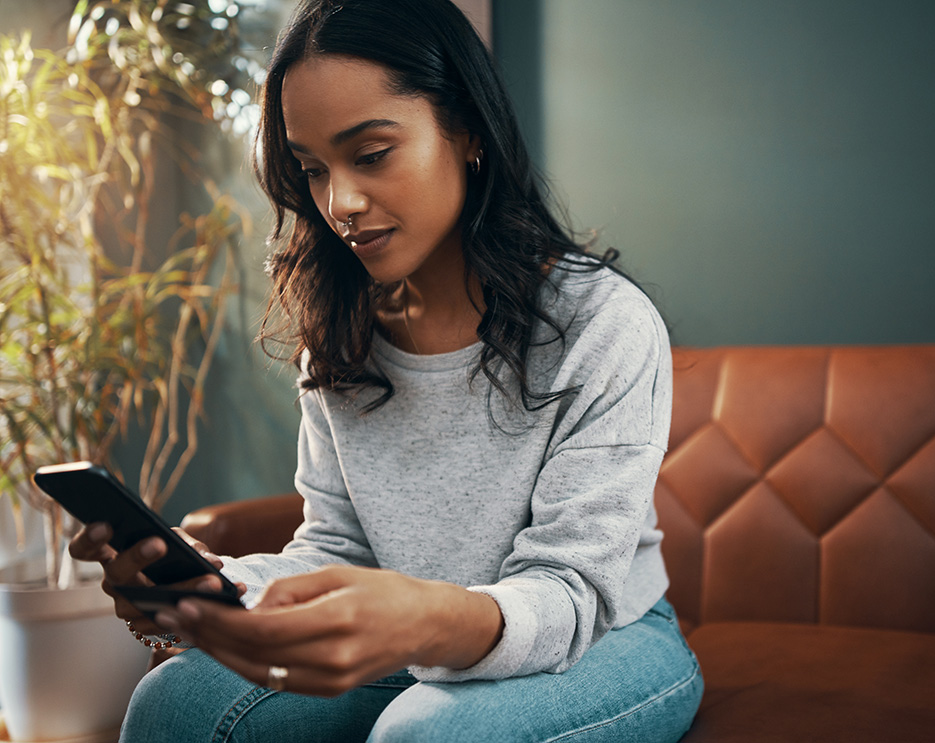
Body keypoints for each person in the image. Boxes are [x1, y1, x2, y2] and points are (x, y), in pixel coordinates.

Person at [68, 1, 703, 741]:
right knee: (171, 703)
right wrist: (218, 588)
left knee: (424, 735)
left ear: (466, 130)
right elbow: (336, 548)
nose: (341, 203)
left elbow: (569, 594)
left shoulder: (603, 325)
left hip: (601, 635)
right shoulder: (342, 335)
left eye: (370, 155)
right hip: (414, 639)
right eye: (311, 169)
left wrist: (424, 618)